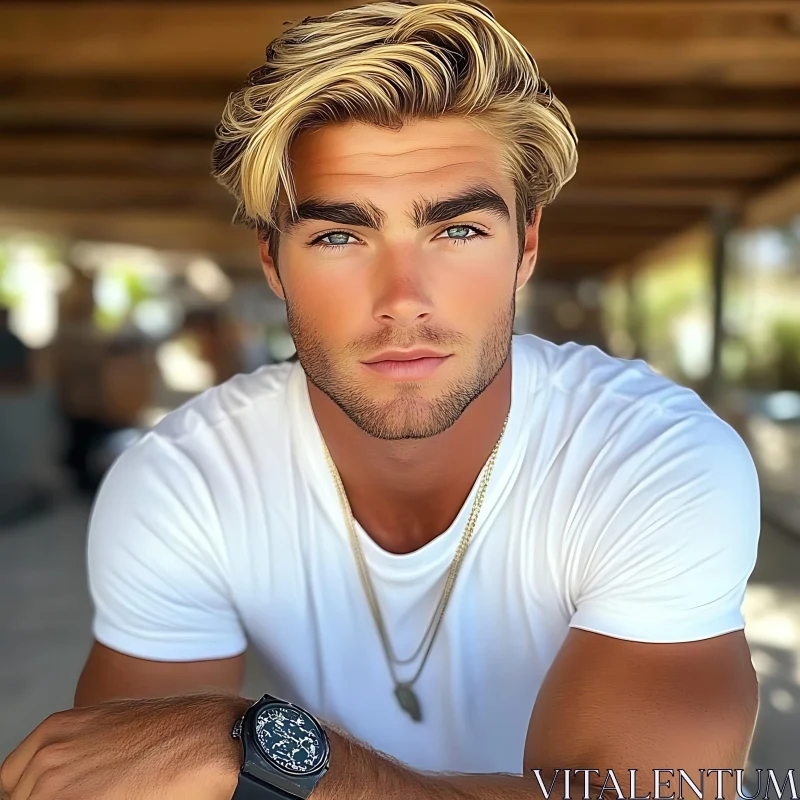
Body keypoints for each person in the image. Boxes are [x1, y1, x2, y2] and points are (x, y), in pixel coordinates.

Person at [0, 2, 761, 799]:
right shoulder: (181, 481)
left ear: (526, 246)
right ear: (272, 261)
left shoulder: (656, 459)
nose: (403, 300)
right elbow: (129, 779)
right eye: (338, 236)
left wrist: (267, 759)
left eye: (458, 231)